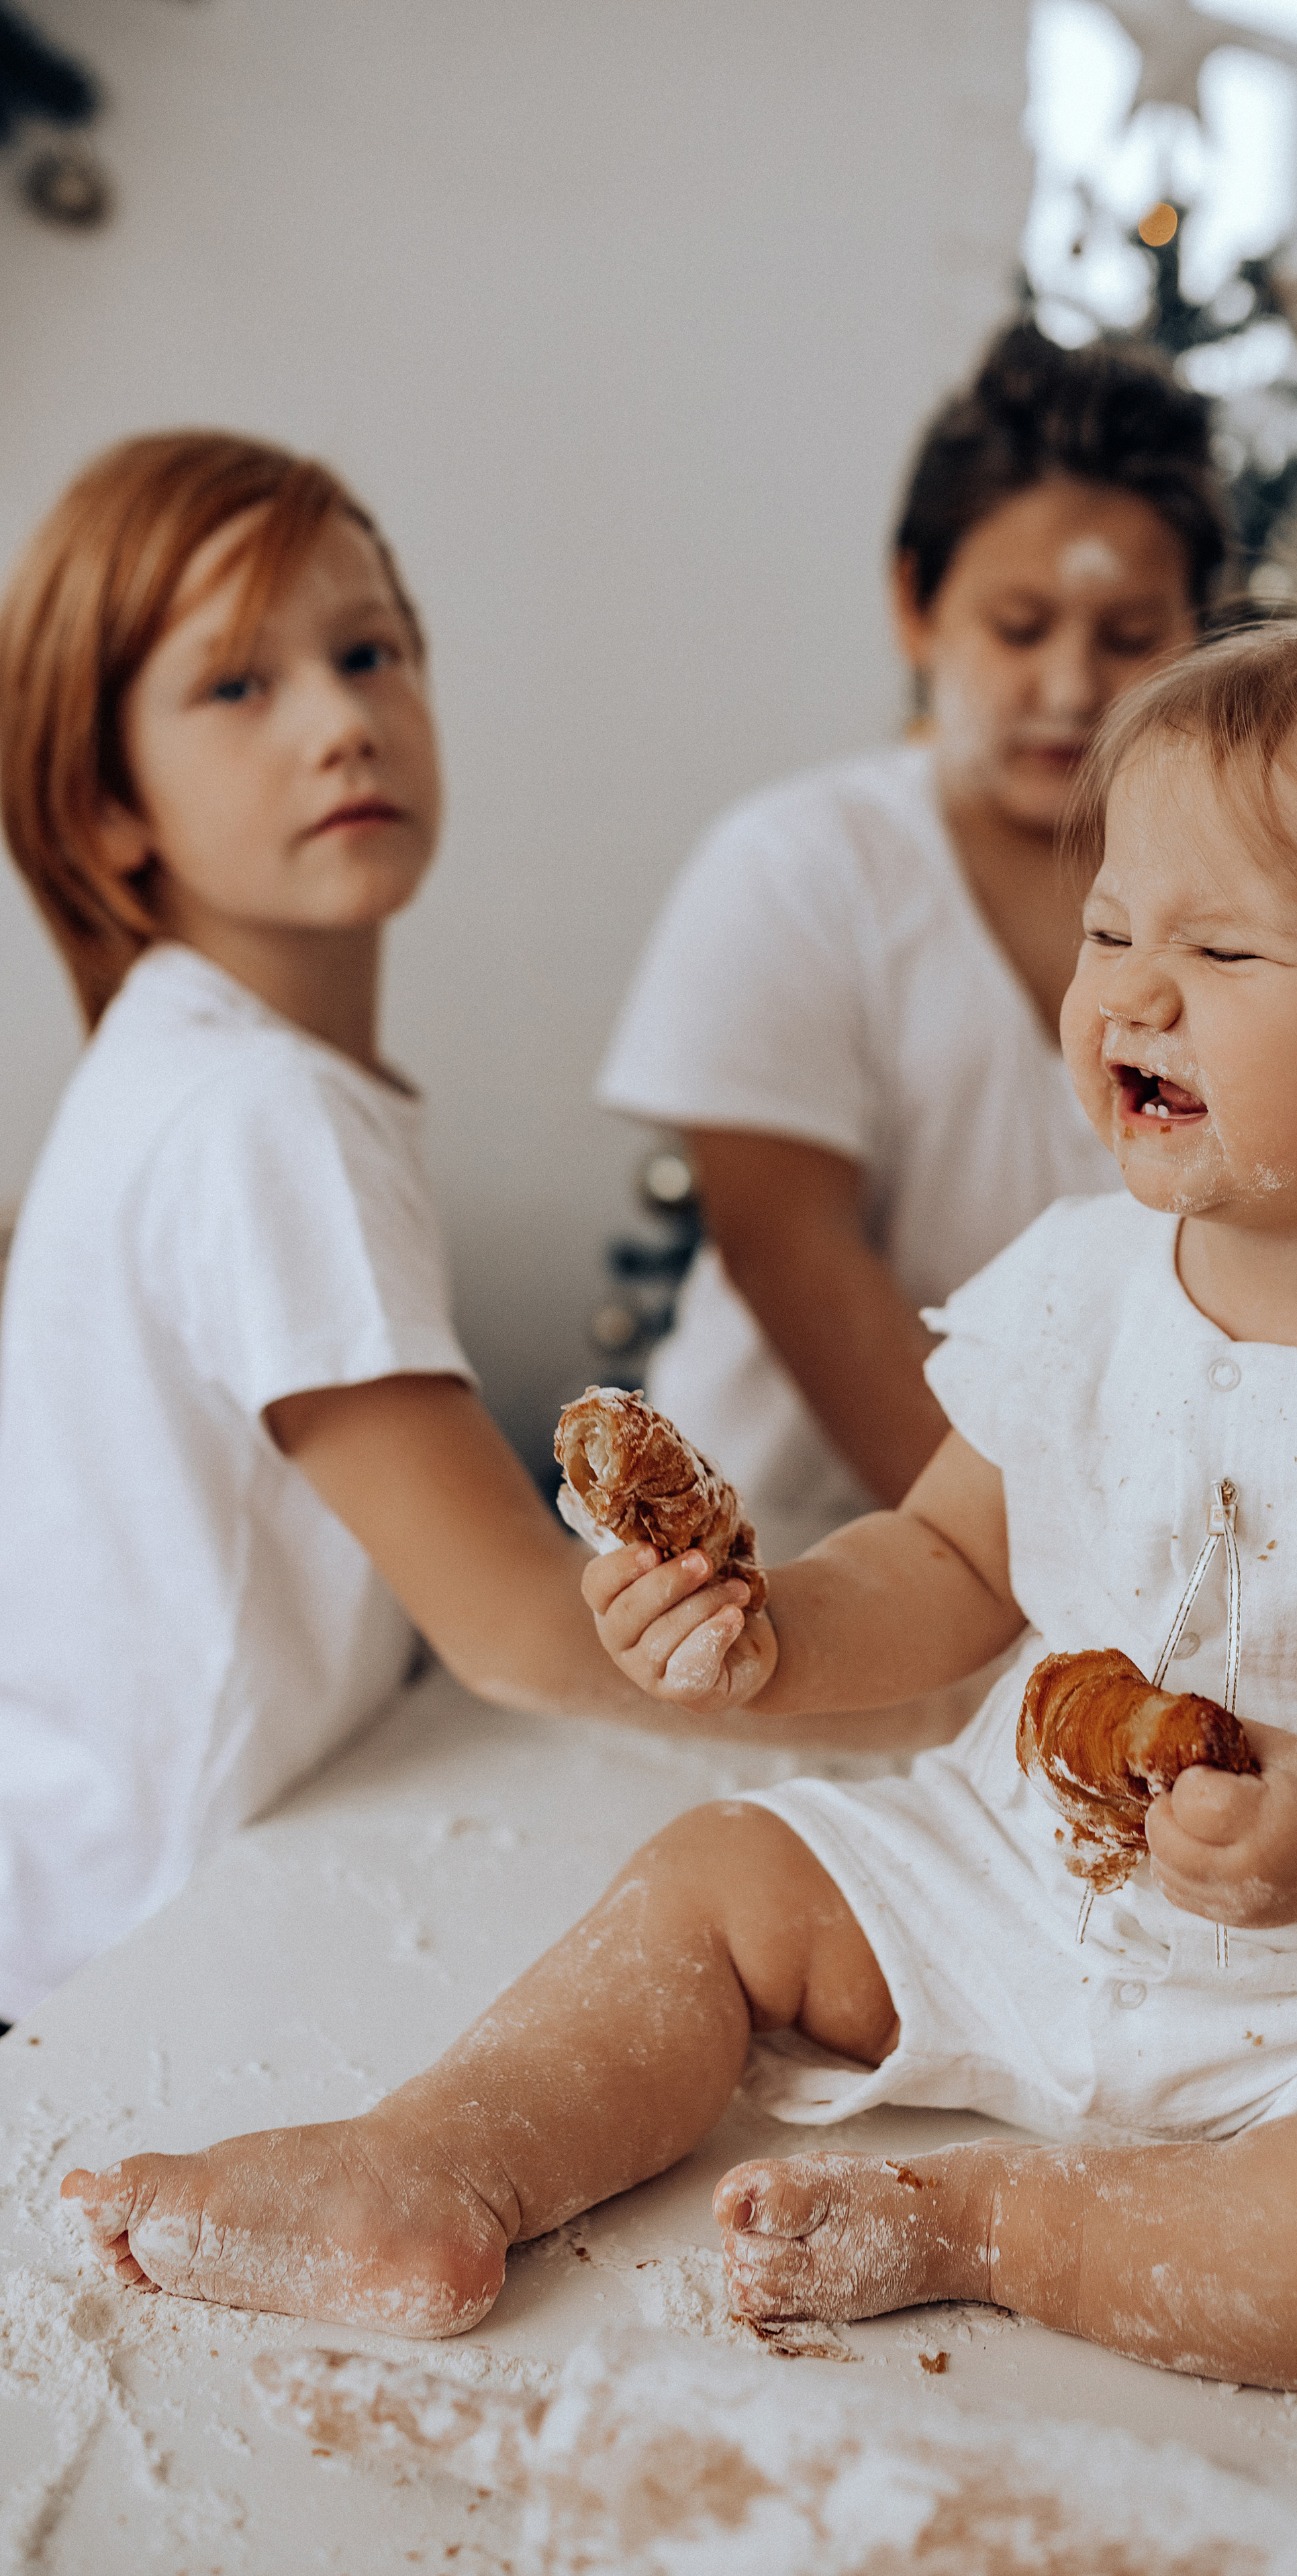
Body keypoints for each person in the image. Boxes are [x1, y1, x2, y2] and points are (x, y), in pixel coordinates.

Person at [62, 571, 1297, 2397]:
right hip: (1014, 1886)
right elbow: (946, 1558)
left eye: (1225, 954)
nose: (1133, 995)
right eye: (1108, 933)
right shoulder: (1081, 1284)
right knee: (718, 1878)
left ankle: (1005, 2226)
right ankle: (435, 2161)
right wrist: (774, 1635)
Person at [0, 433, 675, 2026]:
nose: (342, 721)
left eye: (370, 651)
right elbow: (517, 1626)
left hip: (80, 1885)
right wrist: (939, 1678)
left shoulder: (205, 1063)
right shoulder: (259, 1116)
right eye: (238, 687)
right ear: (108, 812)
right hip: (151, 1947)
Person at [597, 321, 1224, 1563]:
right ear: (913, 604)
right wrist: (1061, 1592)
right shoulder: (794, 871)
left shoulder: (1240, 913)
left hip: (1116, 1580)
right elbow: (796, 1261)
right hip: (778, 1572)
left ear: (1200, 635)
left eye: (1129, 633)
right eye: (1019, 625)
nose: (1069, 686)